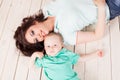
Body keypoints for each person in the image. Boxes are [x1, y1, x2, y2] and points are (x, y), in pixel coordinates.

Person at [14, 0, 120, 56]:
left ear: (33, 22)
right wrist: (101, 5)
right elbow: (98, 35)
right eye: (36, 40)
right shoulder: (64, 36)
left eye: (32, 32)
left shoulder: (48, 9)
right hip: (109, 5)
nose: (38, 35)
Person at [29, 32, 104, 80]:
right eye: (48, 46)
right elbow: (31, 67)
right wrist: (34, 55)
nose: (51, 48)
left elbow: (81, 58)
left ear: (61, 45)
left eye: (55, 45)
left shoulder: (66, 54)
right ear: (44, 48)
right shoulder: (44, 59)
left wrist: (95, 54)